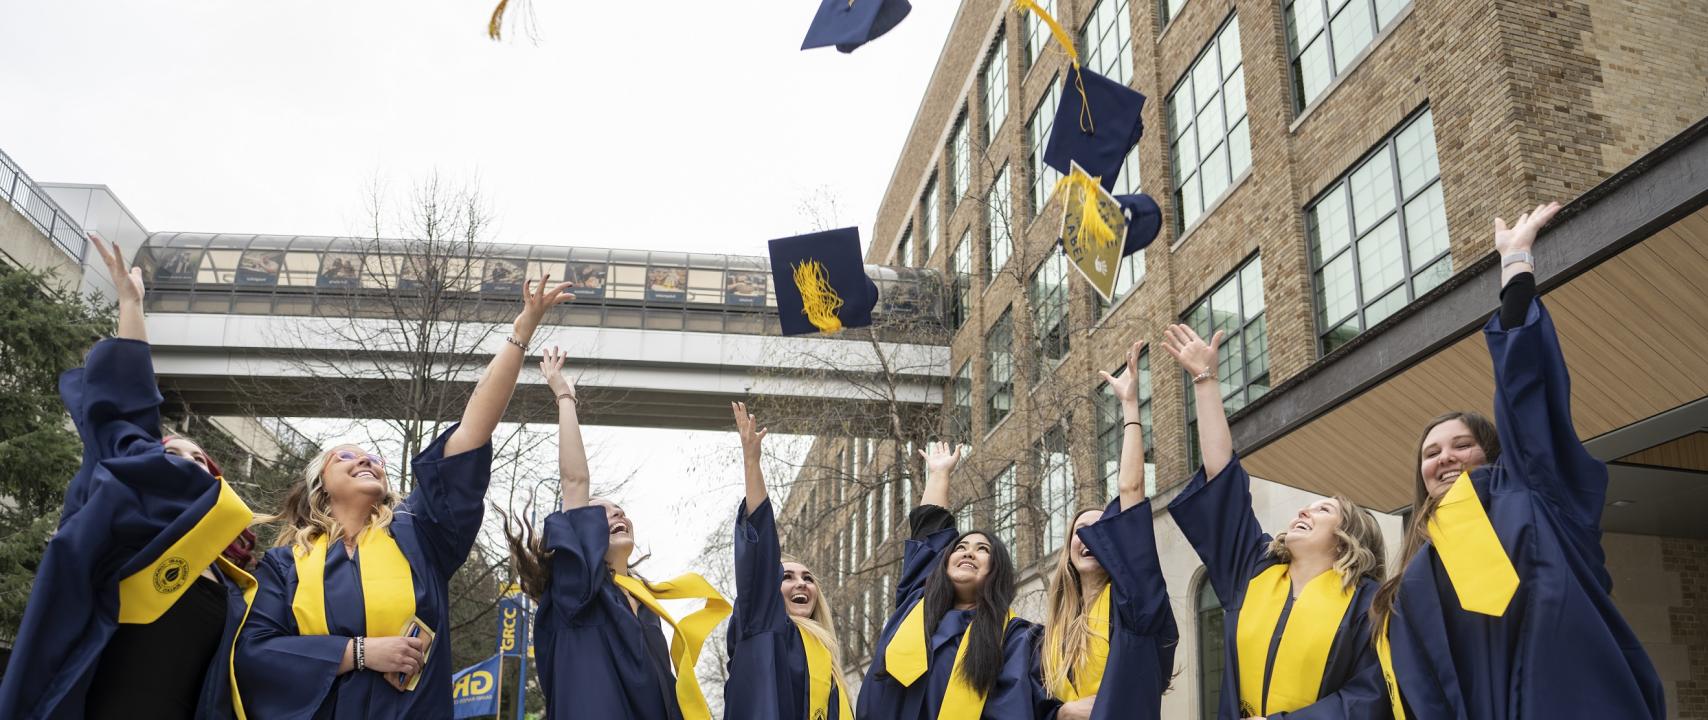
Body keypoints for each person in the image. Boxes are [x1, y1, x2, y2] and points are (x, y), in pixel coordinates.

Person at [1370, 202, 1665, 719]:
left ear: (1494, 450)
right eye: (1431, 452)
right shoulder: (1418, 564)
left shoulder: (1533, 495)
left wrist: (1516, 267)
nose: (1446, 458)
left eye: (1461, 444)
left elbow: (1526, 393)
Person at [235, 275, 573, 719]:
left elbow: (472, 430)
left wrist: (521, 332)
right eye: (347, 457)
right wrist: (358, 653)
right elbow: (256, 654)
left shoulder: (418, 534)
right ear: (320, 484)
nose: (367, 461)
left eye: (374, 458)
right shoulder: (285, 566)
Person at [0, 236, 260, 720]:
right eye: (172, 453)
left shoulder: (238, 584)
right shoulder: (129, 529)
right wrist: (131, 306)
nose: (187, 461)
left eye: (200, 458)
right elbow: (126, 416)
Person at [1163, 324, 1390, 719]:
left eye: (1323, 510)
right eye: (1307, 506)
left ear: (1348, 539)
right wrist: (1204, 379)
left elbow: (1369, 697)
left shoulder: (1368, 605)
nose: (1304, 511)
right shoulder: (1253, 571)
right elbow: (1223, 482)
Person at [504, 348, 731, 720]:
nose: (617, 513)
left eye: (619, 509)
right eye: (601, 513)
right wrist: (565, 397)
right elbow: (575, 481)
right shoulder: (578, 591)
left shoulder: (647, 609)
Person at [1037, 342, 1178, 720]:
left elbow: (1130, 492)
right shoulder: (1048, 632)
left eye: (1100, 530)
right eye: (1079, 531)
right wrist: (1063, 712)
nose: (1088, 537)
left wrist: (1130, 408)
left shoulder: (1131, 605)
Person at [856, 441, 1047, 719]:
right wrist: (939, 474)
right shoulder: (916, 604)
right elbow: (929, 533)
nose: (969, 551)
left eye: (983, 550)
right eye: (961, 547)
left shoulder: (1016, 638)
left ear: (997, 572)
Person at [724, 402, 853, 719]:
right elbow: (759, 555)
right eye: (788, 577)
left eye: (809, 579)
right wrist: (752, 462)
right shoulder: (764, 627)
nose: (802, 583)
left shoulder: (827, 660)